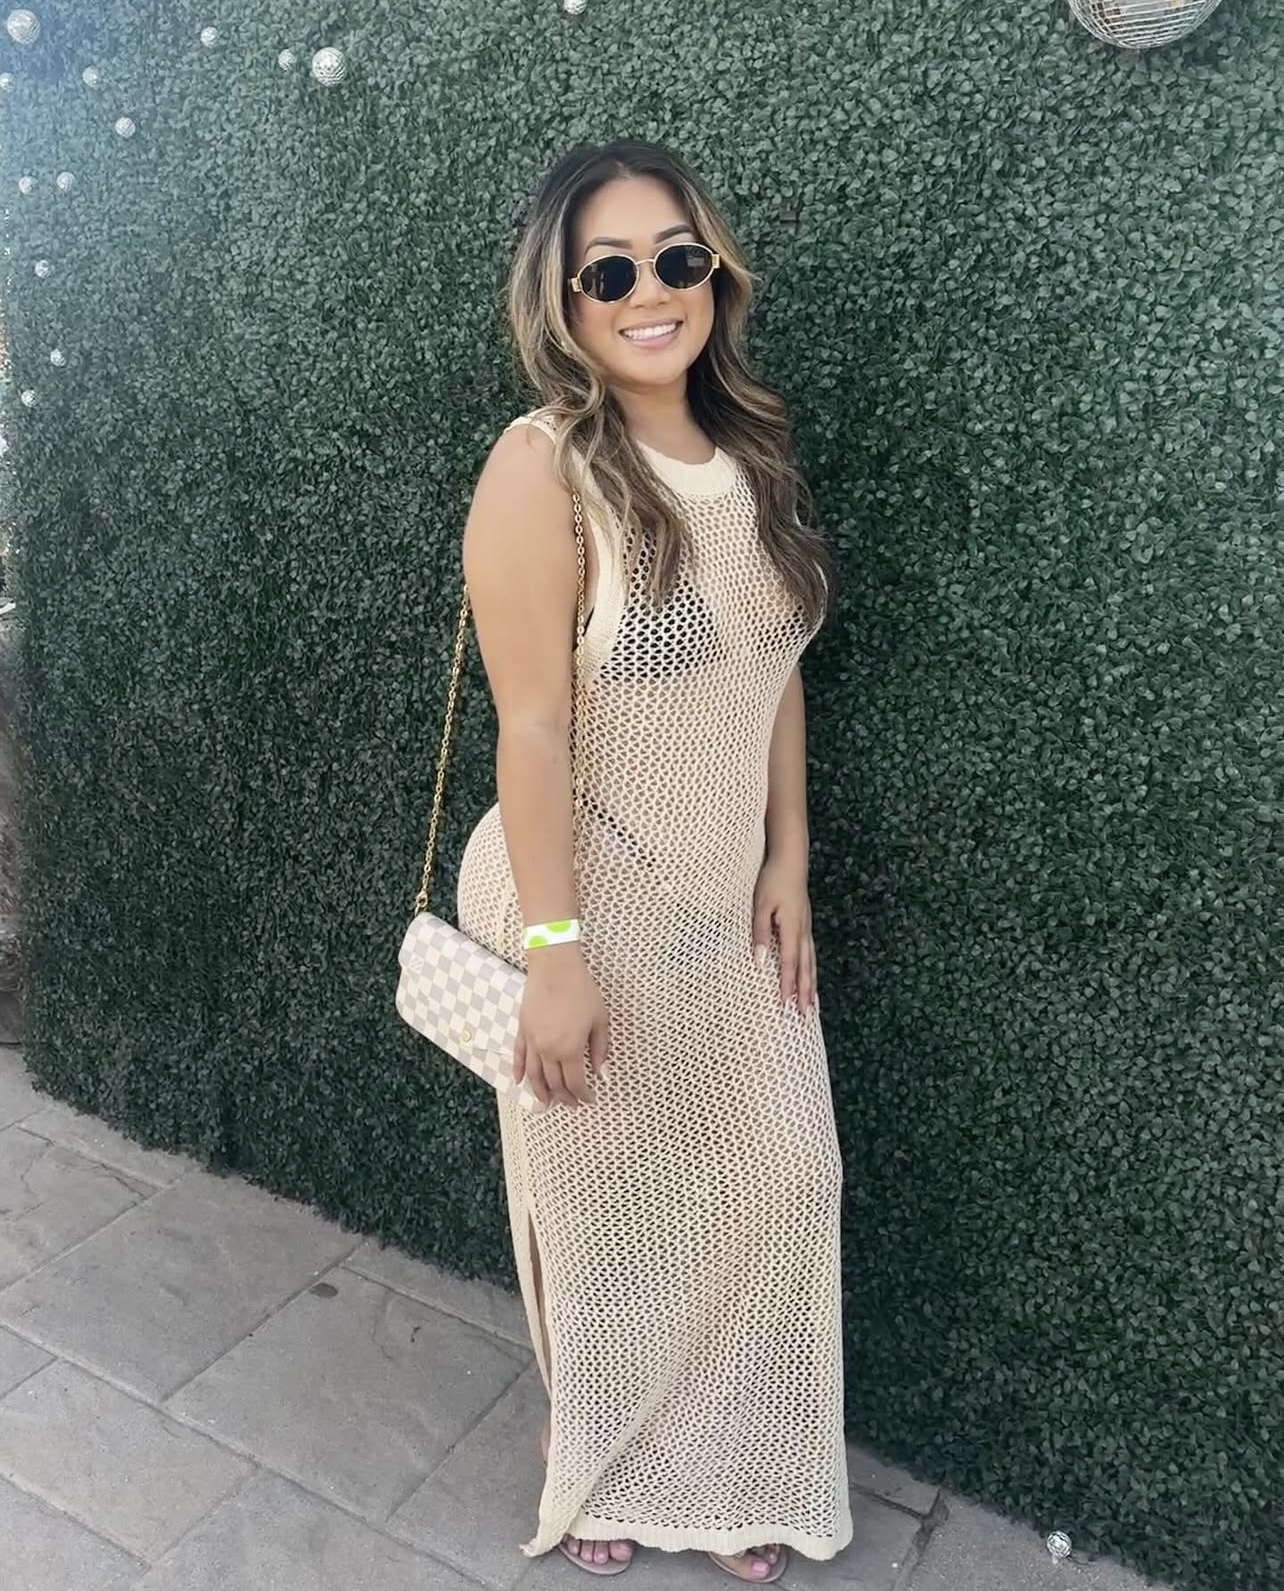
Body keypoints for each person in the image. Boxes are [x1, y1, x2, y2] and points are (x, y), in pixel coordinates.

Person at [457, 140, 852, 1582]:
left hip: (724, 894)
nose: (647, 293)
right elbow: (531, 729)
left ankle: (737, 1467)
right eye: (607, 271)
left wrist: (787, 856)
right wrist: (554, 954)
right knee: (609, 1205)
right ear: (562, 301)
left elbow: (775, 668)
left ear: (715, 274)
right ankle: (608, 1461)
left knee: (779, 1181)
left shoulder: (753, 456)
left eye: (675, 259)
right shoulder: (543, 467)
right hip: (581, 889)